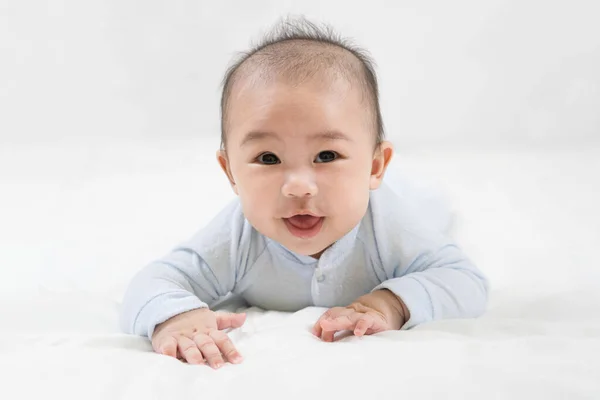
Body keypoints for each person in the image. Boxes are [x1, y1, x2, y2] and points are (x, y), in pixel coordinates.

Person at [119, 17, 489, 369]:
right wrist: (176, 316)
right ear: (230, 171)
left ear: (375, 166)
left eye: (326, 156)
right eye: (268, 158)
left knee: (432, 206)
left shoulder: (390, 227)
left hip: (419, 203)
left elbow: (466, 282)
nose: (298, 186)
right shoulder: (237, 236)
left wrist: (390, 303)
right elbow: (153, 281)